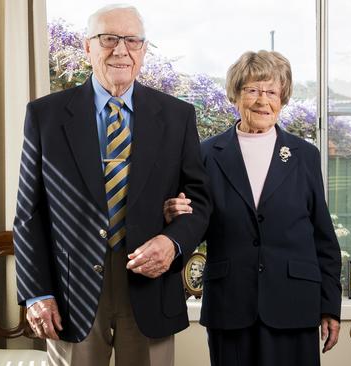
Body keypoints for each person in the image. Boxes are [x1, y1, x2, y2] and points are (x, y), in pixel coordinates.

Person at [13, 5, 210, 366]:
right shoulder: (46, 116)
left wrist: (172, 241)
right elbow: (28, 214)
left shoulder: (177, 116)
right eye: (108, 39)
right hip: (71, 292)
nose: (121, 50)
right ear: (87, 48)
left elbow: (199, 201)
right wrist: (36, 292)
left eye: (132, 40)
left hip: (151, 284)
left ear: (143, 50)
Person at [164, 50, 342, 366]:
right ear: (236, 95)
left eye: (271, 91)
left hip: (294, 305)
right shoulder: (205, 154)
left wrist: (330, 306)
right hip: (230, 306)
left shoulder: (305, 155)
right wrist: (175, 214)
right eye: (252, 90)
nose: (262, 100)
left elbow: (323, 239)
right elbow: (194, 224)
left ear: (283, 98)